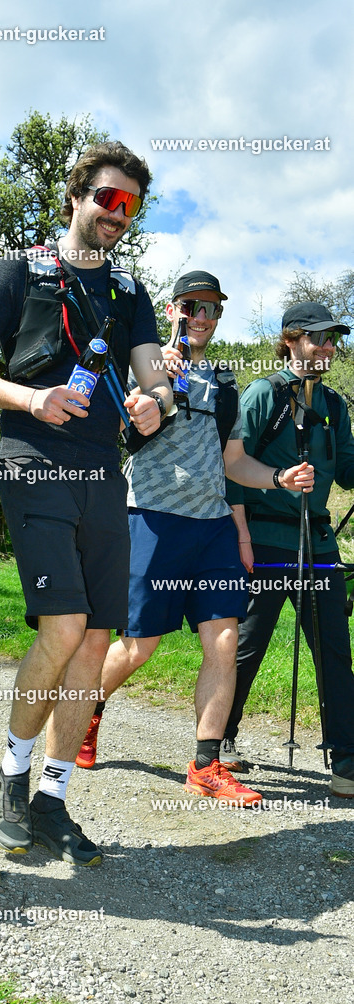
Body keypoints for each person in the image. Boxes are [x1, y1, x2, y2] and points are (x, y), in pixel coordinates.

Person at [0, 141, 172, 865]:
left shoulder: (129, 293)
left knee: (92, 640)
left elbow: (153, 378)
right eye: (105, 199)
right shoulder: (19, 271)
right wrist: (30, 399)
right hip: (32, 460)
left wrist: (154, 404)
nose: (116, 214)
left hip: (102, 474)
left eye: (129, 206)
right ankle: (9, 781)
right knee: (63, 626)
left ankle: (52, 799)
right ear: (76, 197)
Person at [75, 273, 314, 807]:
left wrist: (277, 479)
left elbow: (234, 463)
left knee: (224, 640)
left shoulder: (226, 381)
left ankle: (206, 763)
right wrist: (154, 387)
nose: (201, 317)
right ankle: (86, 713)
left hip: (212, 527)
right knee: (140, 646)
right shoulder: (145, 362)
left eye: (211, 309)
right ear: (173, 308)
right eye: (192, 307)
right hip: (153, 518)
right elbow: (121, 430)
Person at [224, 301, 354, 797]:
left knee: (335, 654)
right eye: (318, 338)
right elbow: (232, 465)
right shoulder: (263, 393)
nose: (328, 347)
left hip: (318, 544)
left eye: (333, 339)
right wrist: (240, 533)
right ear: (292, 340)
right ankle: (221, 739)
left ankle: (345, 760)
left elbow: (347, 472)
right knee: (246, 648)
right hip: (266, 541)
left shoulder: (336, 406)